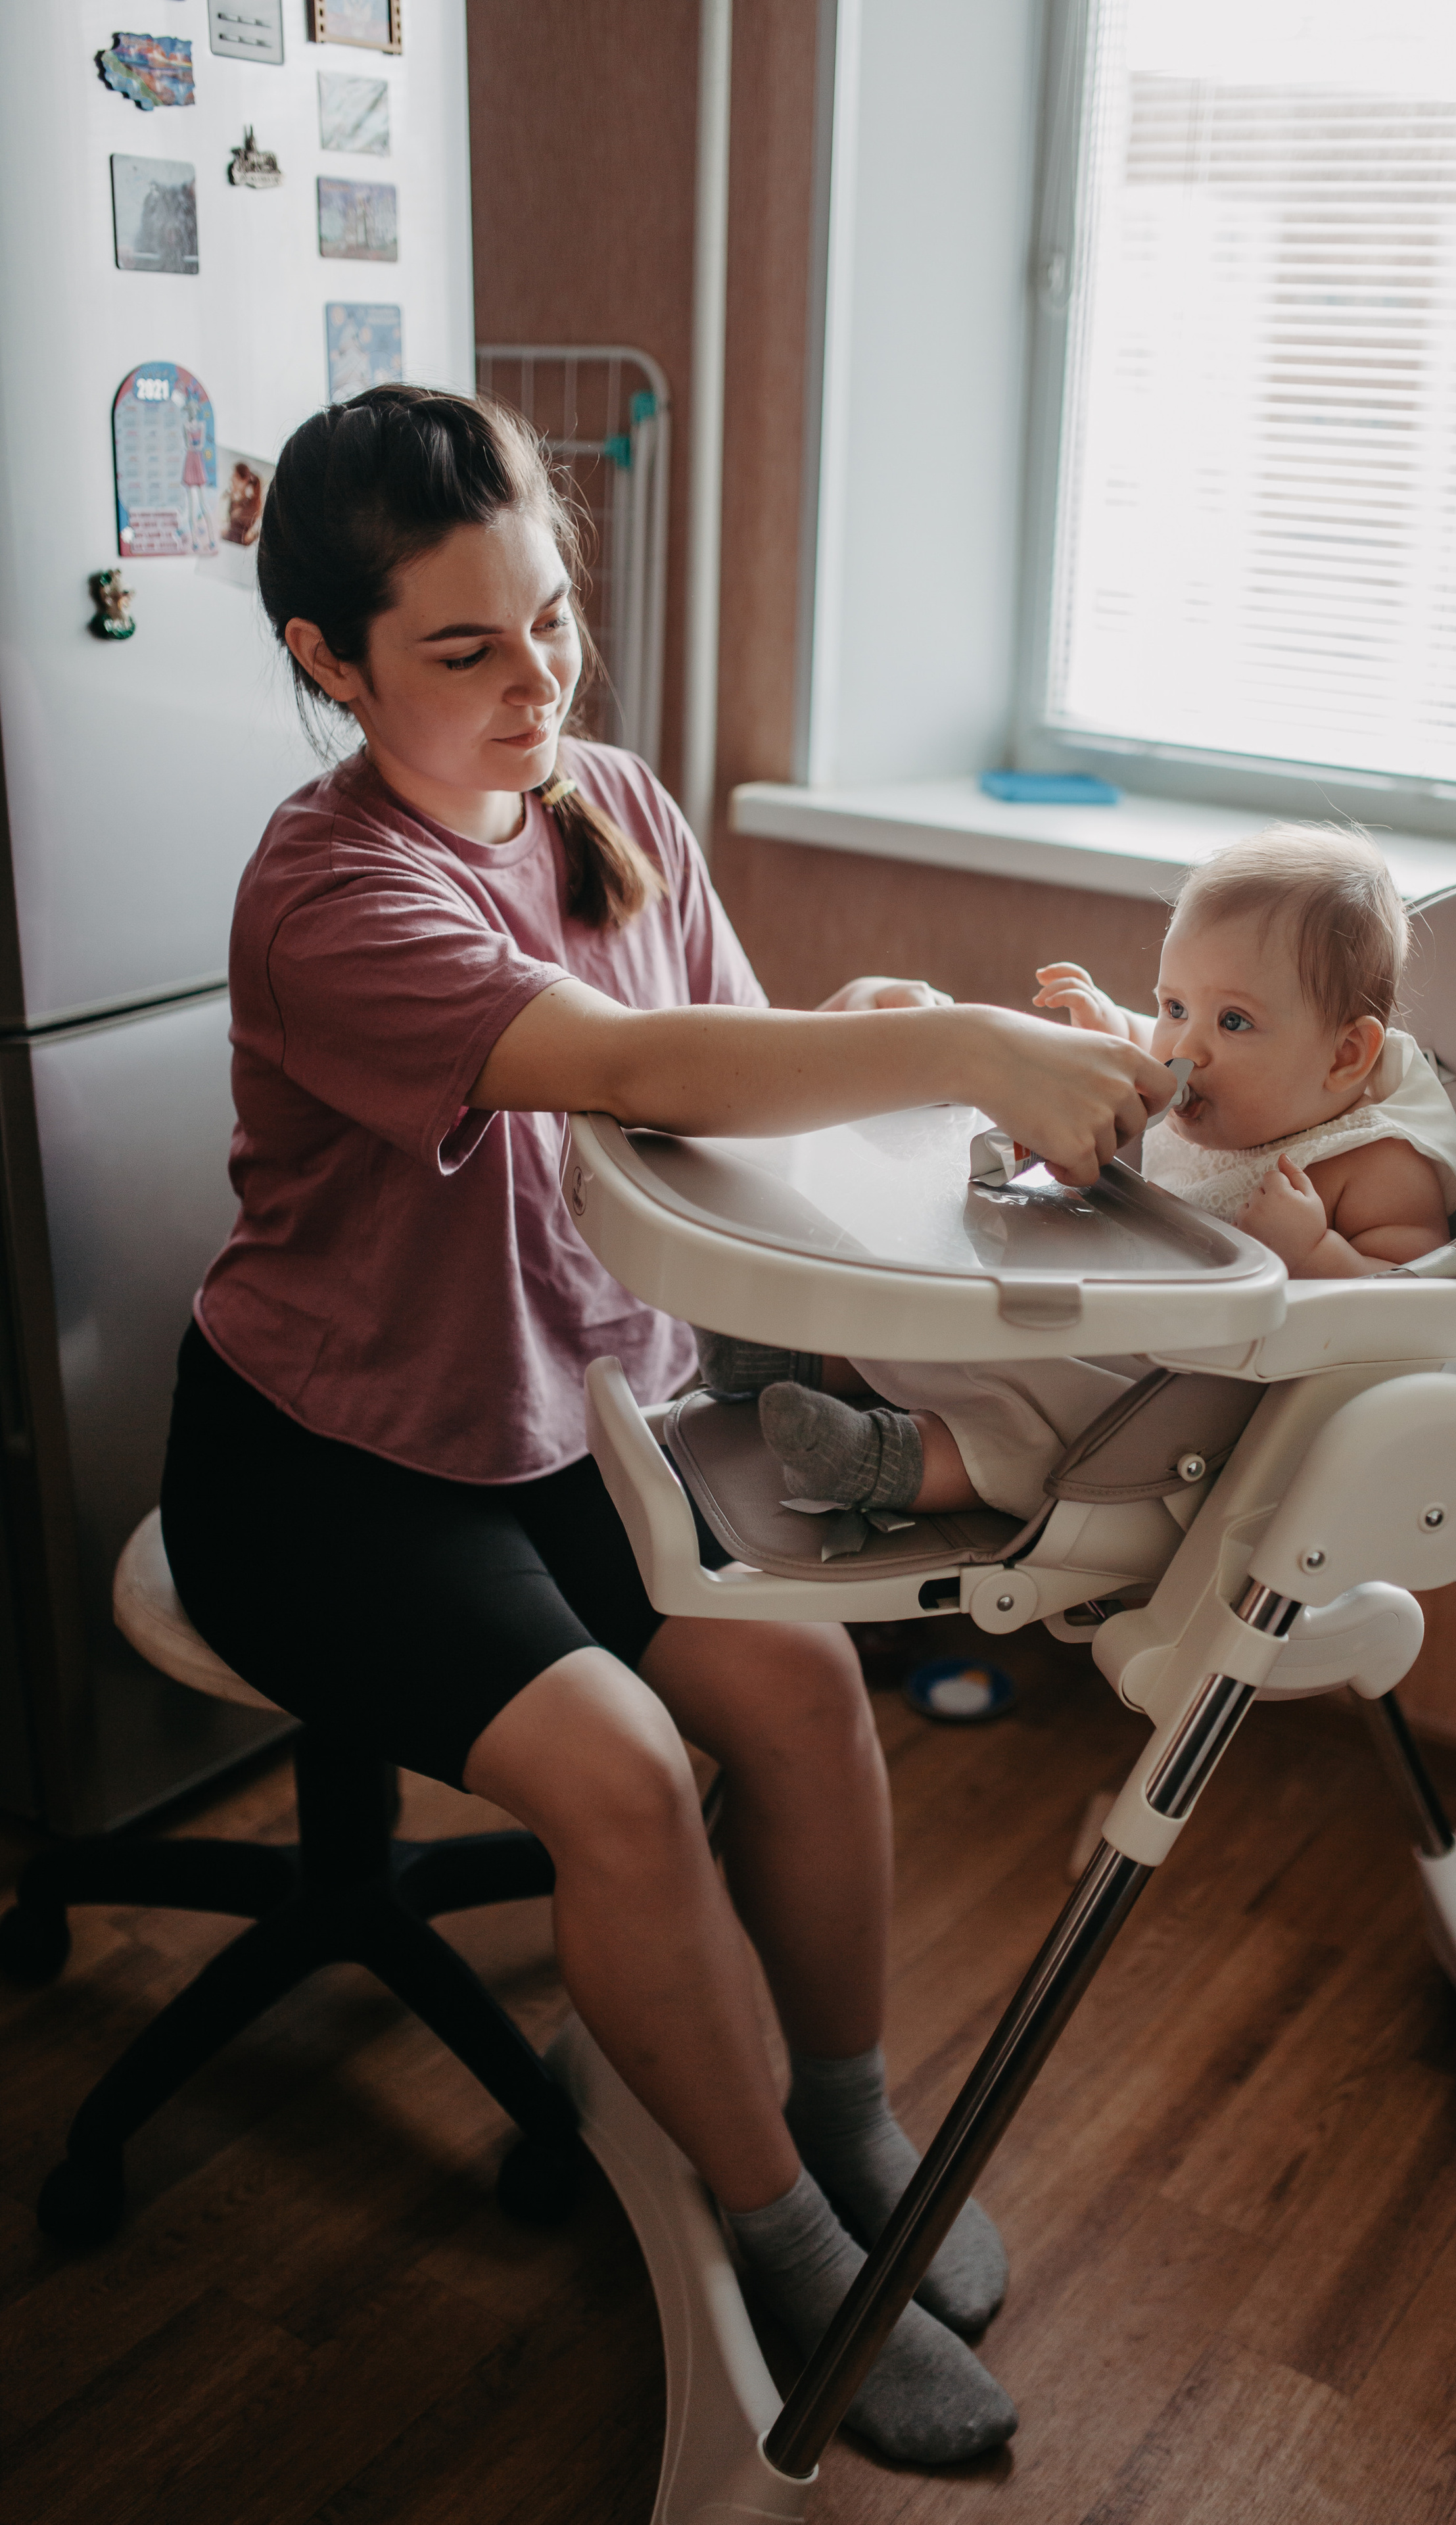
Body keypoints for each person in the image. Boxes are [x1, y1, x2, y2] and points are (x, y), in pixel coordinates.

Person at [158, 384, 1178, 2465]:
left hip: (572, 1420)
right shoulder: (330, 896)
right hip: (330, 1468)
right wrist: (951, 1047)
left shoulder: (610, 796)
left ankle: (847, 2124)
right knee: (622, 1774)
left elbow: (728, 1072)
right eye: (463, 648)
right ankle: (787, 2237)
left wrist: (902, 1036)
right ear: (323, 660)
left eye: (549, 619)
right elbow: (629, 1067)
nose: (534, 677)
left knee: (801, 1689)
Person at [704, 827, 1456, 1524]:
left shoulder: (1373, 1160)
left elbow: (1412, 1318)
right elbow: (1163, 1052)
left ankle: (898, 1460)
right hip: (1128, 1309)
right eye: (1172, 1005)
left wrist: (1314, 1258)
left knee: (1060, 1421)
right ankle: (809, 1355)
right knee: (984, 1310)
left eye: (1231, 1022)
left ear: (1344, 1056)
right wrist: (1116, 1029)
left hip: (1186, 1400)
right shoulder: (1227, 1086)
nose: (1186, 1049)